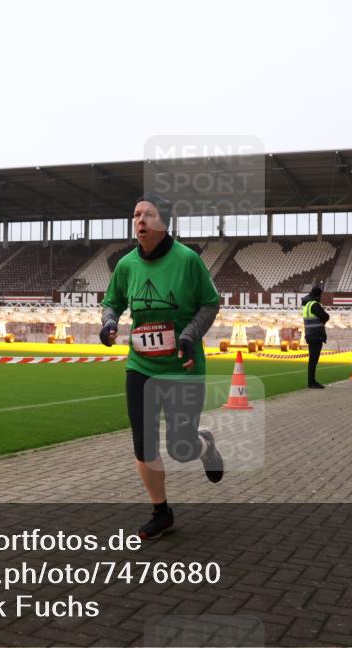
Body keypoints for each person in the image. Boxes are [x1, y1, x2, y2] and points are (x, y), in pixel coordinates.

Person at [100, 194, 224, 540]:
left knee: (180, 446)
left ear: (164, 222)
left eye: (148, 214)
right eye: (135, 214)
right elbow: (112, 302)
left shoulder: (188, 261)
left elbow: (210, 304)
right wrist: (109, 323)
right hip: (140, 365)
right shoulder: (125, 265)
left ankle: (204, 446)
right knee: (144, 442)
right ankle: (161, 511)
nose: (140, 220)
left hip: (182, 366)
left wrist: (188, 336)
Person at [300, 285, 329, 388]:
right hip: (316, 335)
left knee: (312, 360)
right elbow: (326, 316)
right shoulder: (314, 305)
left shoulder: (306, 306)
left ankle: (311, 381)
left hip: (309, 334)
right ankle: (311, 382)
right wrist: (322, 321)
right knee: (313, 360)